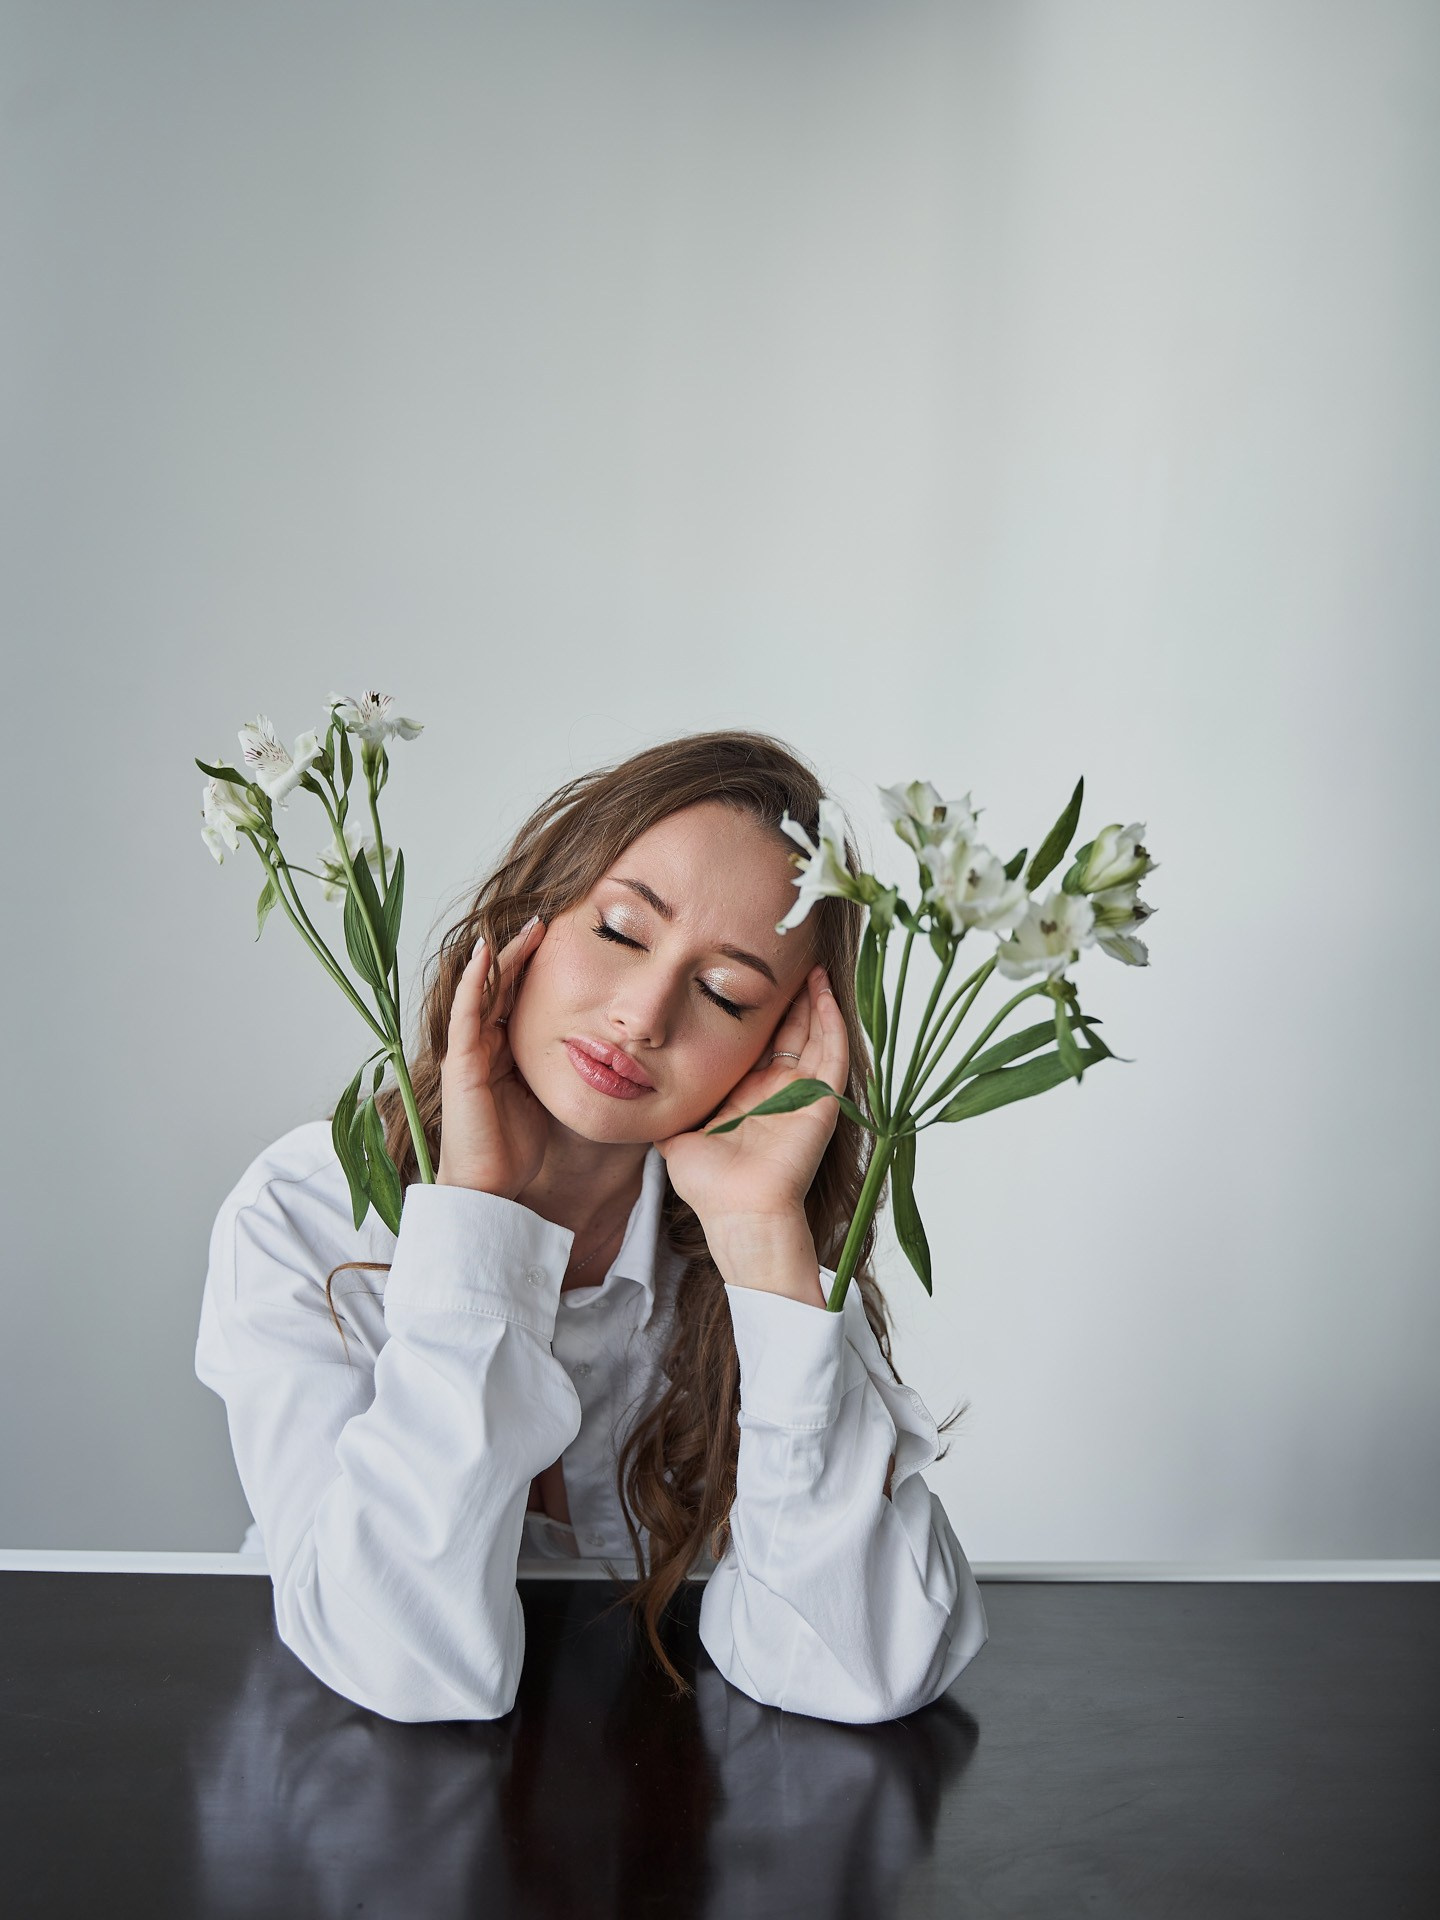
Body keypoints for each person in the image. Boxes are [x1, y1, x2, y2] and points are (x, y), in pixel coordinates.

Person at [195, 727, 989, 1724]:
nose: (645, 1014)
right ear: (532, 919)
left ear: (781, 1050)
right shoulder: (306, 1210)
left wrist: (760, 1241)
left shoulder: (757, 1257)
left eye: (724, 992)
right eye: (621, 930)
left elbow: (862, 1671)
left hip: (654, 1825)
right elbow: (403, 1663)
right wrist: (475, 1222)